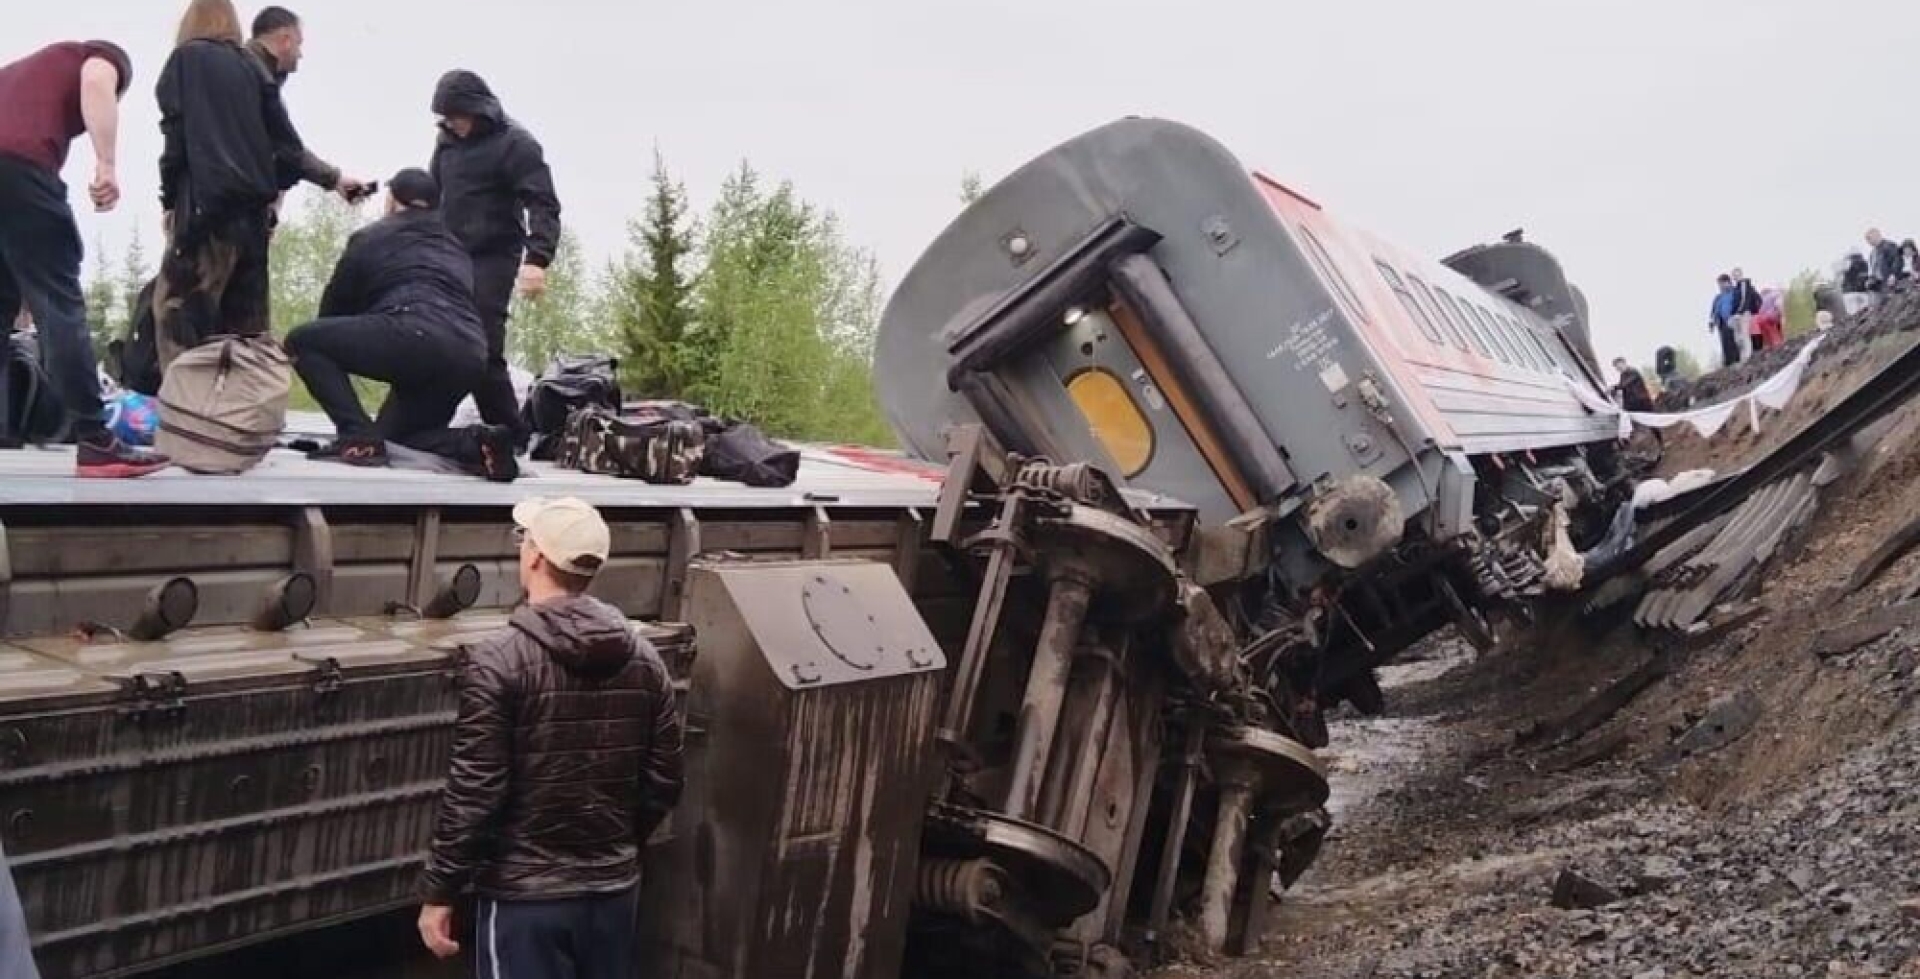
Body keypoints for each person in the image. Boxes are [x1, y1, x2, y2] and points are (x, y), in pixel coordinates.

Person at [417, 497, 684, 979]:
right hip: (613, 893)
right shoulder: (646, 660)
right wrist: (615, 844)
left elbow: (476, 793)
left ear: (535, 557)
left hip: (523, 898)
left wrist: (441, 892)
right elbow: (664, 780)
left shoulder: (499, 660)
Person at [0, 40, 169, 476]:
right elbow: (96, 79)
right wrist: (107, 163)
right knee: (59, 303)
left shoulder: (17, 75)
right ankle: (96, 441)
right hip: (19, 169)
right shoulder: (97, 58)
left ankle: (4, 426)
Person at [285, 170, 518, 481]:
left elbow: (332, 313)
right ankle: (478, 442)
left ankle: (356, 436)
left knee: (304, 341)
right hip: (470, 353)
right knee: (397, 442)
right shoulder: (456, 247)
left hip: (414, 332)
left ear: (392, 200)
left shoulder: (372, 236)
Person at [153, 0, 306, 369]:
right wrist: (271, 201)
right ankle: (246, 414)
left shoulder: (185, 61)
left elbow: (175, 140)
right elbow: (288, 147)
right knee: (247, 330)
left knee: (178, 314)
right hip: (253, 217)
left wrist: (169, 201)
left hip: (207, 211)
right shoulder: (253, 69)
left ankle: (185, 413)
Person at [429, 70, 562, 445]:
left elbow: (543, 203)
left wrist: (537, 259)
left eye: (457, 115)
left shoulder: (516, 144)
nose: (452, 123)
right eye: (446, 118)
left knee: (483, 346)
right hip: (450, 253)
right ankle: (423, 422)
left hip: (494, 255)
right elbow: (434, 189)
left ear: (478, 109)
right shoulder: (447, 143)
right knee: (439, 341)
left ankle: (510, 433)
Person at [246, 7, 368, 204]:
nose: (300, 54)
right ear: (285, 40)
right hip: (236, 203)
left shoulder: (252, 76)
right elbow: (287, 147)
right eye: (298, 44)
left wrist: (334, 179)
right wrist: (333, 178)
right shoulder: (256, 80)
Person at [1730, 267, 1762, 360]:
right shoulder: (1736, 288)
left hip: (1744, 313)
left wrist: (1740, 312)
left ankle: (1747, 356)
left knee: (1744, 334)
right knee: (1737, 338)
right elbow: (1735, 302)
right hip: (1736, 315)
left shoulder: (1744, 283)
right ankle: (1743, 355)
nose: (1735, 277)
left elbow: (1745, 298)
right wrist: (1732, 314)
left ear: (1740, 274)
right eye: (1733, 275)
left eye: (1736, 274)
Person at [1709, 274, 1741, 368]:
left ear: (1728, 282)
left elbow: (1739, 304)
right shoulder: (1718, 297)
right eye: (1719, 284)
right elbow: (1714, 311)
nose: (1720, 286)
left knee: (1734, 341)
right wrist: (1712, 323)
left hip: (1733, 320)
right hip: (1721, 323)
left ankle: (1737, 360)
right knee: (1725, 342)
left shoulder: (1735, 292)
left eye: (1721, 284)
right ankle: (1728, 363)